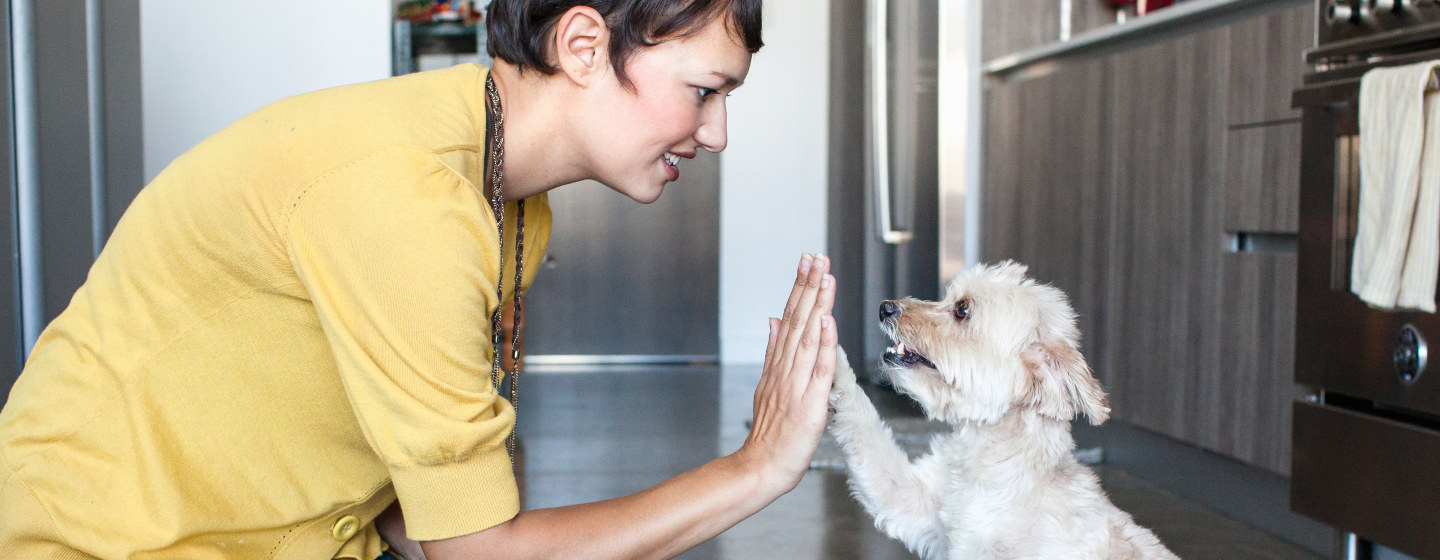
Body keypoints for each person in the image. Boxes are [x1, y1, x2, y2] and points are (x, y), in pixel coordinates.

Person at [0, 0, 842, 558]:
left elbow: (423, 497)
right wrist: (756, 470)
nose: (717, 130)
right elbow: (476, 552)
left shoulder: (510, 197)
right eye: (703, 90)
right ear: (584, 46)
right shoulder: (405, 198)